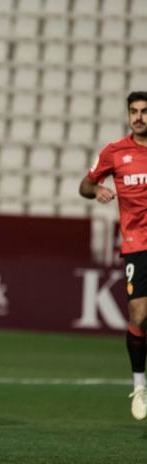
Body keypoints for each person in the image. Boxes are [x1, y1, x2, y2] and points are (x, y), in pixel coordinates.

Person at [79, 91, 147, 421]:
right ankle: (139, 384)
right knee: (139, 315)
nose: (139, 117)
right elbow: (84, 185)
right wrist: (98, 190)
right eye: (134, 111)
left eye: (144, 111)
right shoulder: (115, 152)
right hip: (137, 244)